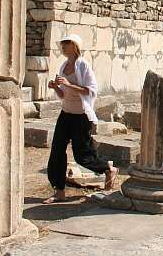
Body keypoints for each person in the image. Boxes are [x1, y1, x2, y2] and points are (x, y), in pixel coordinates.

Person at [45, 34, 118, 203]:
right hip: (65, 114)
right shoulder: (64, 66)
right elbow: (63, 95)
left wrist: (69, 84)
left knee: (81, 156)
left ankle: (108, 169)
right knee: (56, 151)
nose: (63, 46)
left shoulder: (83, 65)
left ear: (74, 46)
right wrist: (55, 87)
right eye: (62, 43)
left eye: (66, 43)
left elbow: (91, 91)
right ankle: (59, 191)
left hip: (81, 116)